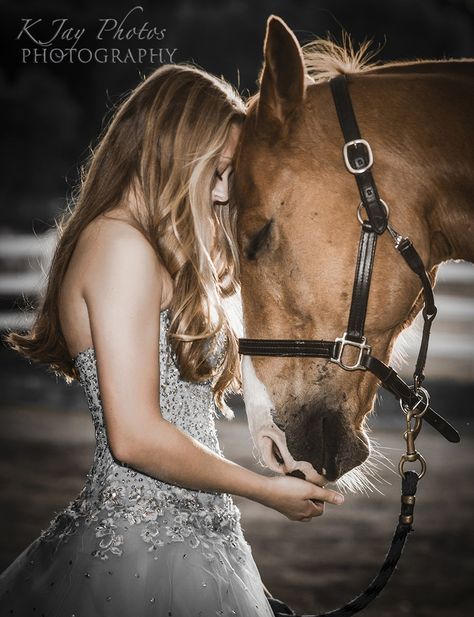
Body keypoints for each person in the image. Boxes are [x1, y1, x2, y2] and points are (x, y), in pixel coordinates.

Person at [0, 63, 343, 616]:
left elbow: (184, 400)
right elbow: (133, 438)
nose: (226, 191)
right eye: (219, 171)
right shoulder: (119, 249)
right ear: (175, 149)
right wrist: (263, 492)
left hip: (195, 540)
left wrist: (263, 429)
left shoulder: (150, 249)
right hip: (143, 551)